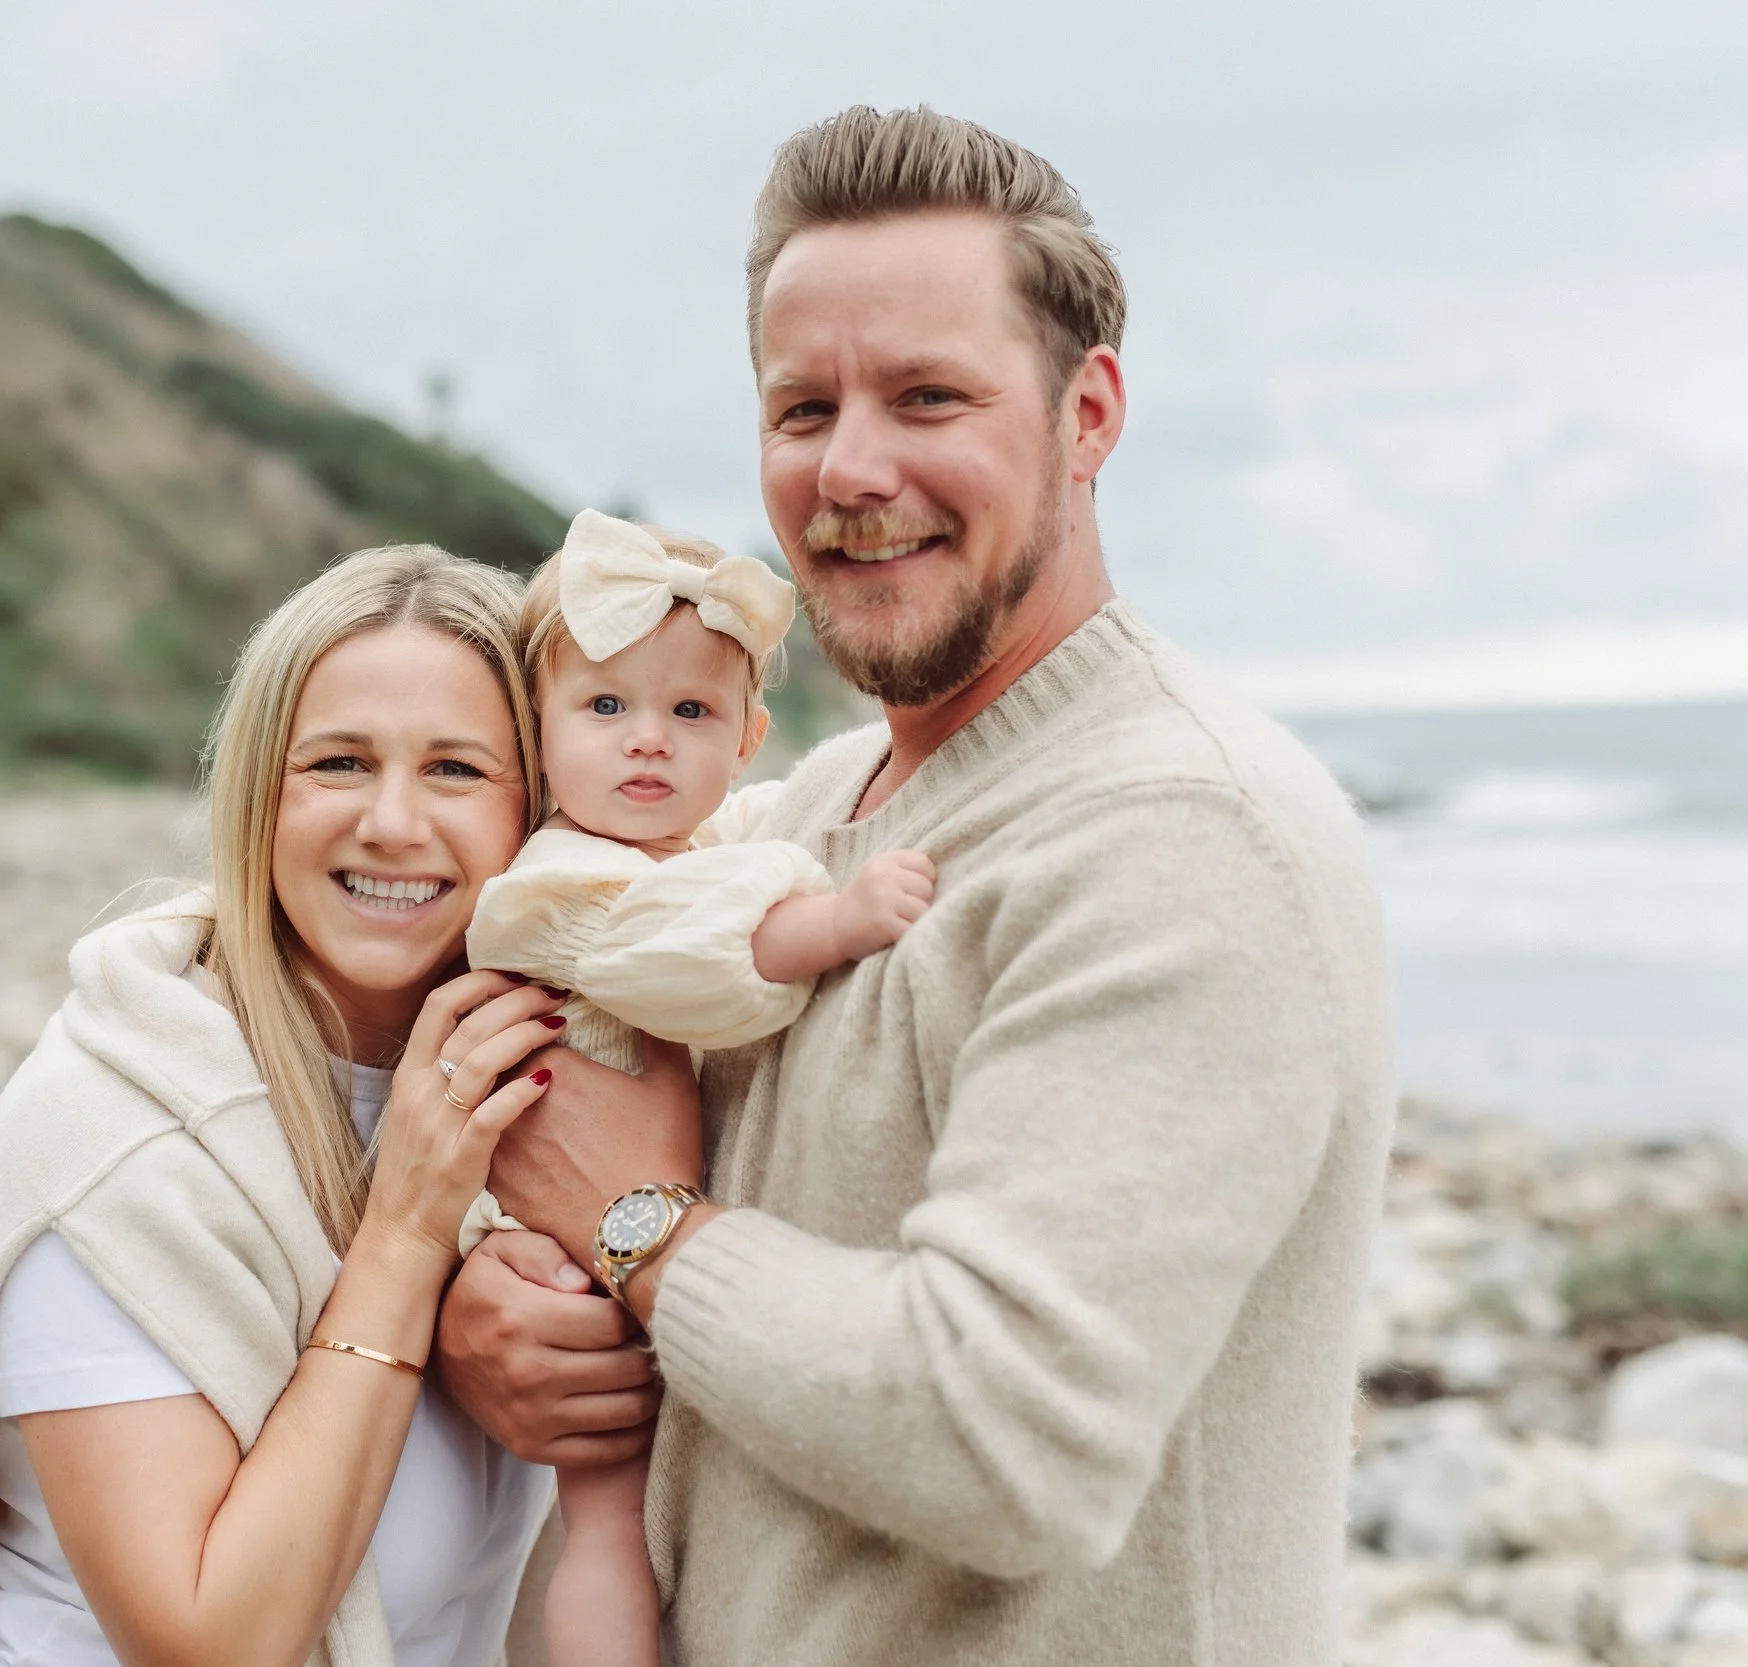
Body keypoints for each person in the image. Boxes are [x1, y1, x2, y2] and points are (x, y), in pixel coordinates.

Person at [437, 105, 1394, 1666]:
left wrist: (635, 1228)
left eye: (929, 396)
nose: (852, 469)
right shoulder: (805, 812)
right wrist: (506, 1318)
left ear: (1089, 414)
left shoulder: (1187, 837)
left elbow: (999, 1434)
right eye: (801, 407)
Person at [0, 544, 585, 1667]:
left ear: (540, 801)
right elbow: (208, 1642)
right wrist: (408, 1236)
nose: (391, 821)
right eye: (337, 762)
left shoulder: (558, 1085)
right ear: (255, 793)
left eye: (456, 769)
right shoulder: (114, 1128)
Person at [456, 509, 937, 1667]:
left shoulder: (680, 838)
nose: (648, 744)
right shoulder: (556, 885)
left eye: (691, 713)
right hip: (560, 1246)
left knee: (669, 1506)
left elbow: (761, 822)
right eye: (605, 707)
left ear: (746, 735)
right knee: (609, 1524)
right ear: (538, 731)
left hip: (637, 1219)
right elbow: (700, 964)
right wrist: (835, 918)